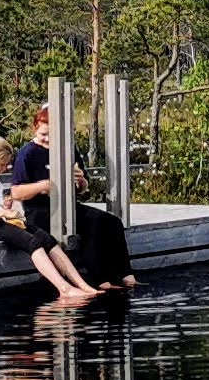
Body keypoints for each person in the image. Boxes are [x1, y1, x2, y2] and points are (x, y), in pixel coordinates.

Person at [0, 131, 101, 304]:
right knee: (32, 242)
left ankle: (81, 284)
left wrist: (7, 205)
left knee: (47, 239)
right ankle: (63, 288)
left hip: (0, 219)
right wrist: (0, 213)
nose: (5, 169)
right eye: (3, 164)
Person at [11, 103, 133, 291]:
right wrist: (42, 186)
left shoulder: (68, 150)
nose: (48, 139)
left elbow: (82, 188)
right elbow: (17, 192)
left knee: (111, 222)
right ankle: (100, 279)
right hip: (40, 209)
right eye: (43, 134)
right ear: (35, 129)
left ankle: (125, 274)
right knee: (90, 227)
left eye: (52, 135)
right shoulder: (27, 154)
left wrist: (81, 182)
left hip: (67, 204)